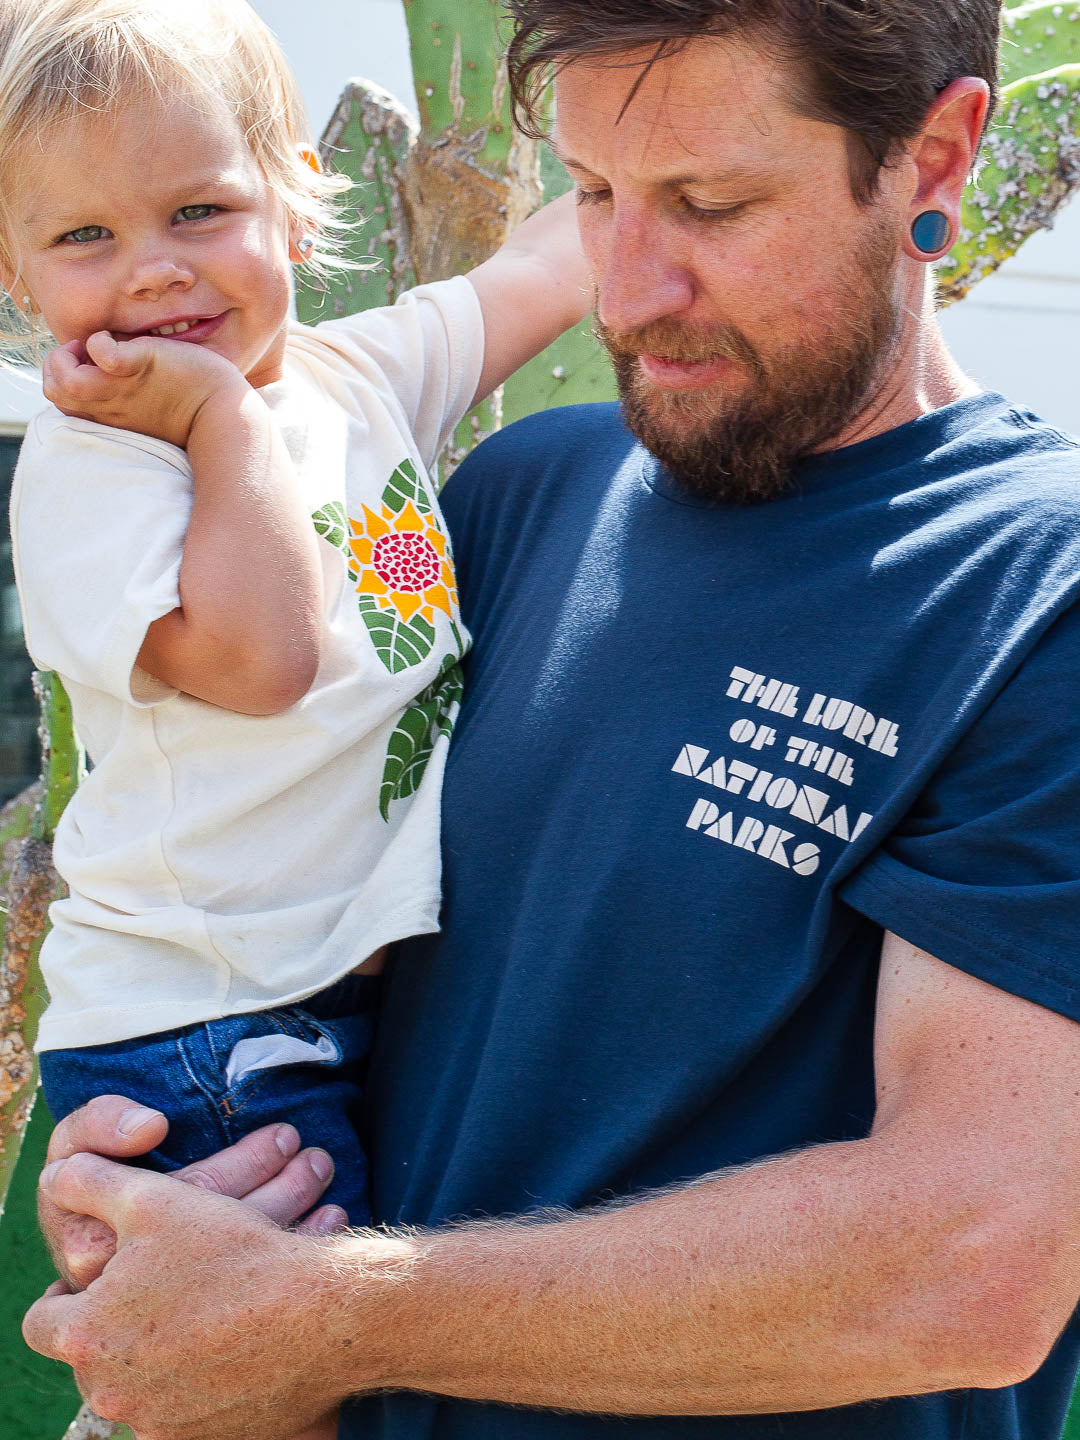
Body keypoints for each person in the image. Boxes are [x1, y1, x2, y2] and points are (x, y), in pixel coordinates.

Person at [22, 3, 1080, 1440]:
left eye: (709, 204)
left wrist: (317, 1310)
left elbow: (969, 1261)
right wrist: (174, 1170)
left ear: (939, 157)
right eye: (593, 194)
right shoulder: (521, 497)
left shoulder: (1036, 594)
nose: (626, 295)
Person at [3, 0, 586, 1251]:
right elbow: (262, 664)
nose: (153, 266)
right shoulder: (98, 464)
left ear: (296, 197)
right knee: (286, 1377)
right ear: (17, 269)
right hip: (197, 1030)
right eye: (84, 235)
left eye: (198, 211)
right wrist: (218, 415)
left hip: (335, 1005)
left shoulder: (359, 378)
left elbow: (547, 266)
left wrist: (645, 162)